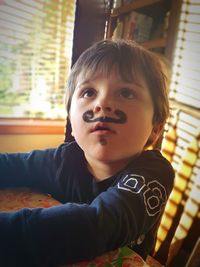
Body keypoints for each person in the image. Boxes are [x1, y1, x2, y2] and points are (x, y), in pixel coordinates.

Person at [0, 39, 174, 267]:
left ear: (155, 127)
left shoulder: (153, 173)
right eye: (89, 92)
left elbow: (96, 225)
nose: (102, 103)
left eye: (126, 93)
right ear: (71, 119)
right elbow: (11, 166)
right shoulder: (64, 160)